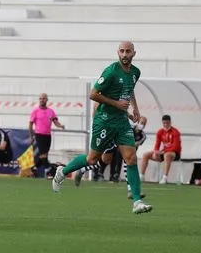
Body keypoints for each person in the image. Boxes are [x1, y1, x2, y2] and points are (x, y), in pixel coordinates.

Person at [52, 41, 152, 214]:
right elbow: (93, 94)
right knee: (93, 159)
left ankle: (137, 201)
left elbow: (129, 89)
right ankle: (63, 171)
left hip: (121, 121)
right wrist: (116, 104)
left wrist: (134, 108)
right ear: (118, 53)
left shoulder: (135, 72)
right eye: (122, 51)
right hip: (104, 120)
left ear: (134, 53)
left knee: (131, 158)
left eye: (128, 51)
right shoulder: (111, 71)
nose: (125, 54)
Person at [28, 93, 65, 177]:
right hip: (39, 135)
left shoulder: (50, 111)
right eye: (40, 98)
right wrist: (31, 137)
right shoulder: (35, 111)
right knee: (43, 156)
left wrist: (60, 125)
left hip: (48, 136)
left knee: (43, 156)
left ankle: (33, 168)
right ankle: (51, 172)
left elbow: (55, 121)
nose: (42, 100)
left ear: (47, 100)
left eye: (44, 98)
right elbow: (30, 124)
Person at [139, 114, 182, 184]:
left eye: (167, 123)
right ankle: (141, 176)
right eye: (164, 123)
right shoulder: (160, 132)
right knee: (145, 155)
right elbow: (157, 144)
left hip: (174, 153)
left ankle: (164, 178)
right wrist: (156, 152)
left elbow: (176, 147)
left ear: (170, 122)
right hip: (163, 152)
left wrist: (163, 152)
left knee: (167, 155)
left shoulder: (175, 132)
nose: (165, 125)